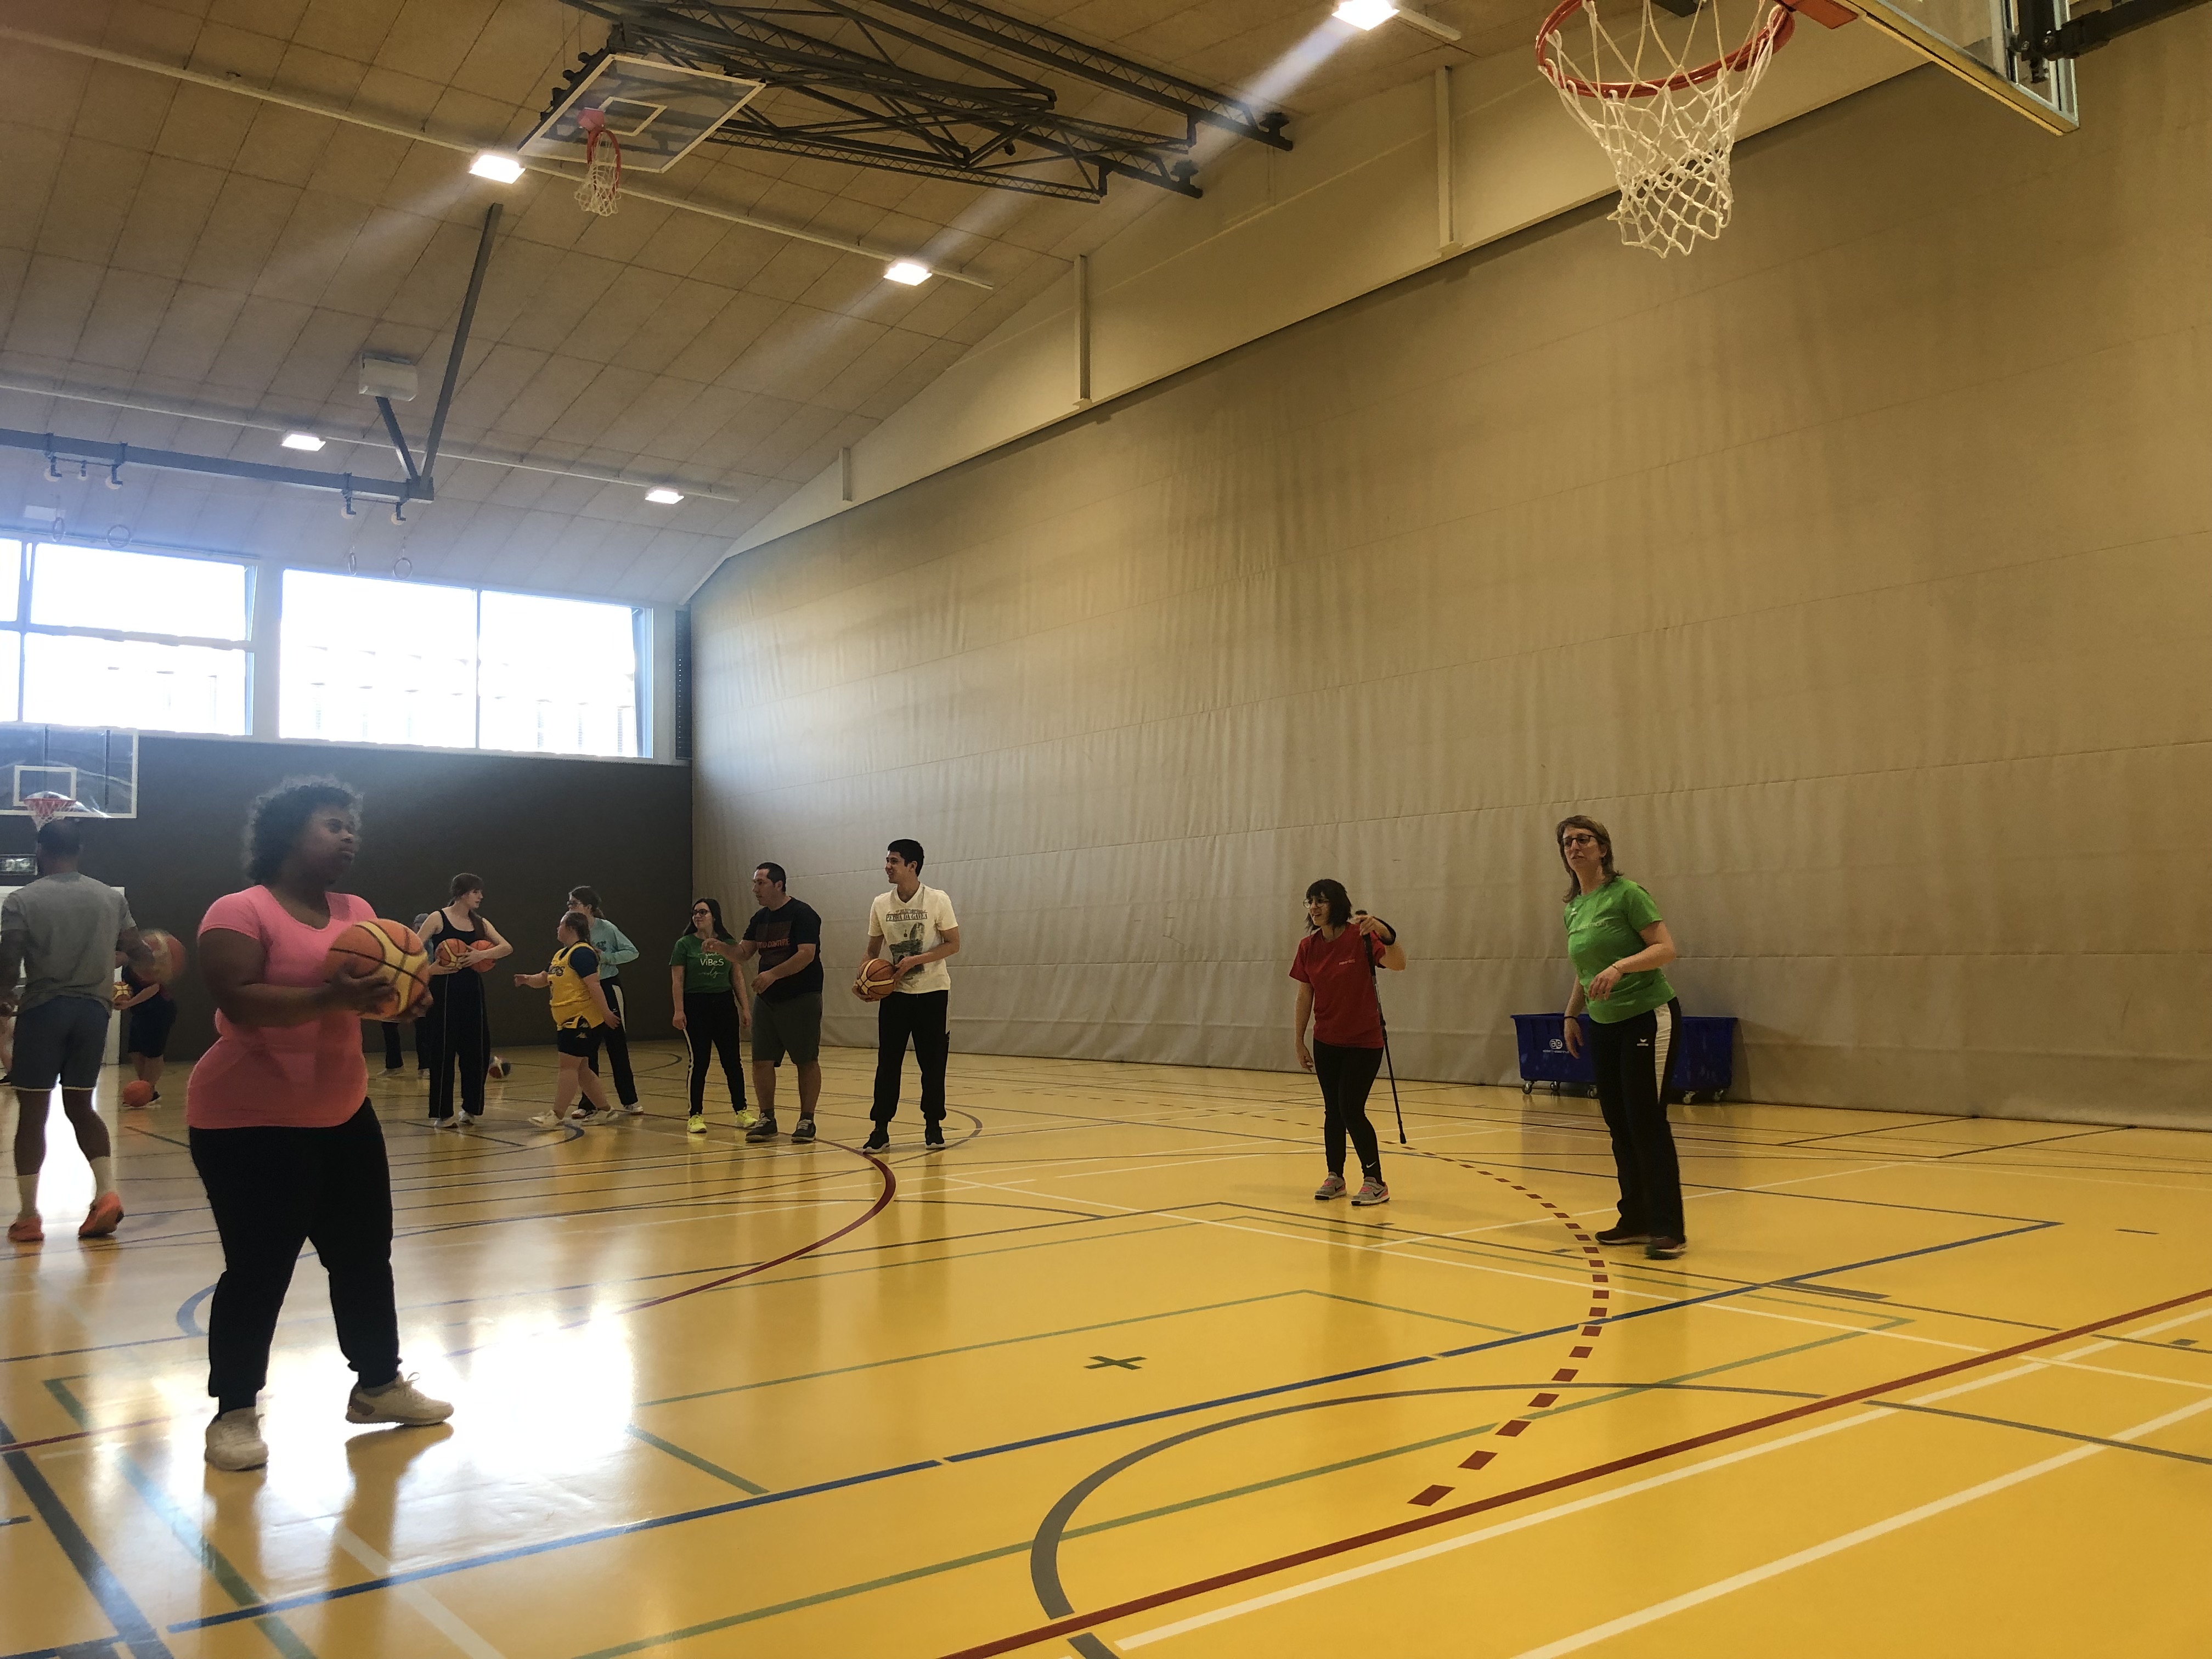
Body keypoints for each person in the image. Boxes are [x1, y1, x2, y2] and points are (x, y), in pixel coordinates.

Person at [188, 778, 452, 1472]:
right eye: (332, 824)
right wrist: (331, 998)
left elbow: (363, 1000)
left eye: (351, 825)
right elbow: (240, 1001)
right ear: (287, 833)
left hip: (342, 1110)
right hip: (247, 1121)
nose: (348, 836)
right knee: (258, 1268)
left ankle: (378, 1386)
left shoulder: (358, 912)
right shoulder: (238, 910)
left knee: (364, 1255)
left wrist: (402, 1002)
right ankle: (234, 1413)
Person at [1, 819, 161, 1242]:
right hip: (93, 1014)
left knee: (33, 1114)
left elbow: (10, 957)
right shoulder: (111, 898)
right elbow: (138, 952)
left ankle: (28, 1217)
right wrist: (154, 960)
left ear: (40, 850)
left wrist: (4, 997)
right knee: (81, 1106)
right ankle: (106, 1194)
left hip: (44, 1011)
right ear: (80, 850)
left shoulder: (22, 900)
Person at [1556, 815, 1686, 1261]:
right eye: (1568, 842)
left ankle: (1668, 1228)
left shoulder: (1628, 894)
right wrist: (1571, 1014)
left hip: (1647, 1017)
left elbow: (1665, 949)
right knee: (1619, 1123)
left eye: (1584, 839)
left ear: (1603, 848)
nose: (1575, 847)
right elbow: (1584, 970)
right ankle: (1636, 1218)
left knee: (1647, 1122)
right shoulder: (1574, 907)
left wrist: (1621, 967)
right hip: (1604, 1023)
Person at [1290, 879, 1406, 1207]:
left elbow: (1398, 963)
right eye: (1310, 902)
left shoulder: (1361, 937)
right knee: (1333, 1110)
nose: (1314, 908)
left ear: (1337, 904)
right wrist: (1299, 1040)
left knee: (1351, 1108)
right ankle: (1336, 1176)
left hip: (1364, 1042)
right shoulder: (1308, 947)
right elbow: (1305, 994)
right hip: (1327, 1041)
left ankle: (1375, 1181)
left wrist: (1386, 933)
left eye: (1321, 901)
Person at [860, 839, 959, 1151]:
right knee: (888, 1063)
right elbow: (872, 952)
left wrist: (915, 961)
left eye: (894, 861)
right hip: (896, 995)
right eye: (887, 861)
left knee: (933, 1063)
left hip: (933, 992)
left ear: (912, 866)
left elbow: (953, 944)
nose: (887, 867)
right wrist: (862, 980)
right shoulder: (881, 904)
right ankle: (880, 1129)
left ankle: (933, 1126)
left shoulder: (937, 899)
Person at [736, 864, 825, 1146]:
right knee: (761, 1060)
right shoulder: (759, 918)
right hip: (768, 999)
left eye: (761, 883)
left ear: (779, 885)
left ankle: (807, 1120)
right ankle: (767, 1119)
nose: (755, 889)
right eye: (754, 883)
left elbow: (806, 954)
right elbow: (743, 953)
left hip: (801, 996)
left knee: (805, 1060)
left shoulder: (803, 913)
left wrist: (772, 975)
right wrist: (720, 946)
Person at [418, 875, 512, 1130]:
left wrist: (482, 954)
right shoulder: (438, 918)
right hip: (444, 991)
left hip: (472, 991)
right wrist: (430, 970)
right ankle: (442, 1114)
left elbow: (506, 947)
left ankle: (471, 1108)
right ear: (461, 893)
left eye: (480, 892)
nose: (480, 896)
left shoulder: (480, 922)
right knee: (443, 1052)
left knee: (477, 1052)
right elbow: (411, 949)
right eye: (475, 892)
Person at [515, 911, 618, 1130]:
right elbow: (544, 978)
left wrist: (606, 1013)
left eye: (560, 925)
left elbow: (594, 986)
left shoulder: (582, 953)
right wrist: (527, 979)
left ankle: (556, 1115)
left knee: (568, 1067)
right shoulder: (561, 954)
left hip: (582, 1020)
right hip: (566, 1020)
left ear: (571, 928)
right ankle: (606, 1111)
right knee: (582, 1070)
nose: (557, 929)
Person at [669, 898, 750, 1136]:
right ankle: (695, 1115)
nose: (698, 916)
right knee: (700, 1061)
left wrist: (745, 1008)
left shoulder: (728, 943)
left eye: (703, 912)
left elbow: (737, 977)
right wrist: (679, 1010)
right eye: (695, 912)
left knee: (732, 1061)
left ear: (714, 915)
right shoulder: (684, 944)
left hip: (724, 1004)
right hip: (696, 1005)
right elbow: (678, 980)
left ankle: (741, 1111)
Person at [566, 886, 639, 1111]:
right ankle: (588, 1104)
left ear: (588, 907)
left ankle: (630, 1100)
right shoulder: (571, 928)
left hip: (608, 986)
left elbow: (632, 952)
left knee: (617, 1045)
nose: (570, 907)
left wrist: (606, 957)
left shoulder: (607, 929)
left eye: (574, 903)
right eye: (569, 904)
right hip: (584, 991)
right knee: (587, 1049)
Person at [117, 958, 177, 1105]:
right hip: (140, 1011)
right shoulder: (127, 966)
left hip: (158, 1009)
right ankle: (145, 1090)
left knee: (153, 1054)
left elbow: (154, 988)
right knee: (135, 1050)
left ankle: (147, 1093)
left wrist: (129, 1003)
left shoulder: (143, 961)